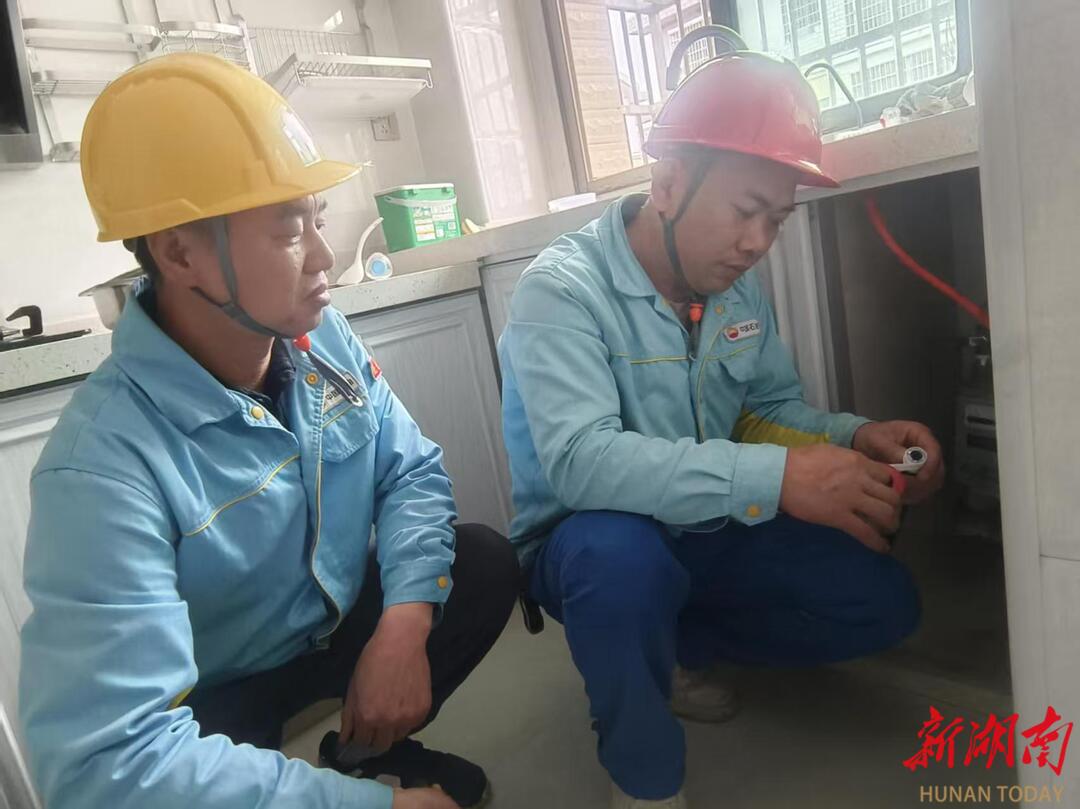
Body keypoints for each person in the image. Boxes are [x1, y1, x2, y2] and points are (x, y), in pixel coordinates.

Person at [18, 53, 518, 809]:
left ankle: (362, 754)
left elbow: (410, 472)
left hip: (327, 629)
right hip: (219, 693)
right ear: (179, 252)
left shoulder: (321, 338)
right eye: (289, 230)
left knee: (478, 563)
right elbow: (108, 765)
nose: (323, 256)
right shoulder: (101, 467)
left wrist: (403, 625)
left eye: (316, 218)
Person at [498, 49, 944, 809]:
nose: (758, 241)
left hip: (707, 519)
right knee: (618, 559)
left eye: (776, 220)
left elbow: (764, 413)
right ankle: (643, 775)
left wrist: (852, 436)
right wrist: (779, 478)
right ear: (669, 184)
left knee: (883, 602)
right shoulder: (562, 290)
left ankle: (672, 644)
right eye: (745, 212)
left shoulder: (735, 290)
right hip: (591, 540)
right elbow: (580, 462)